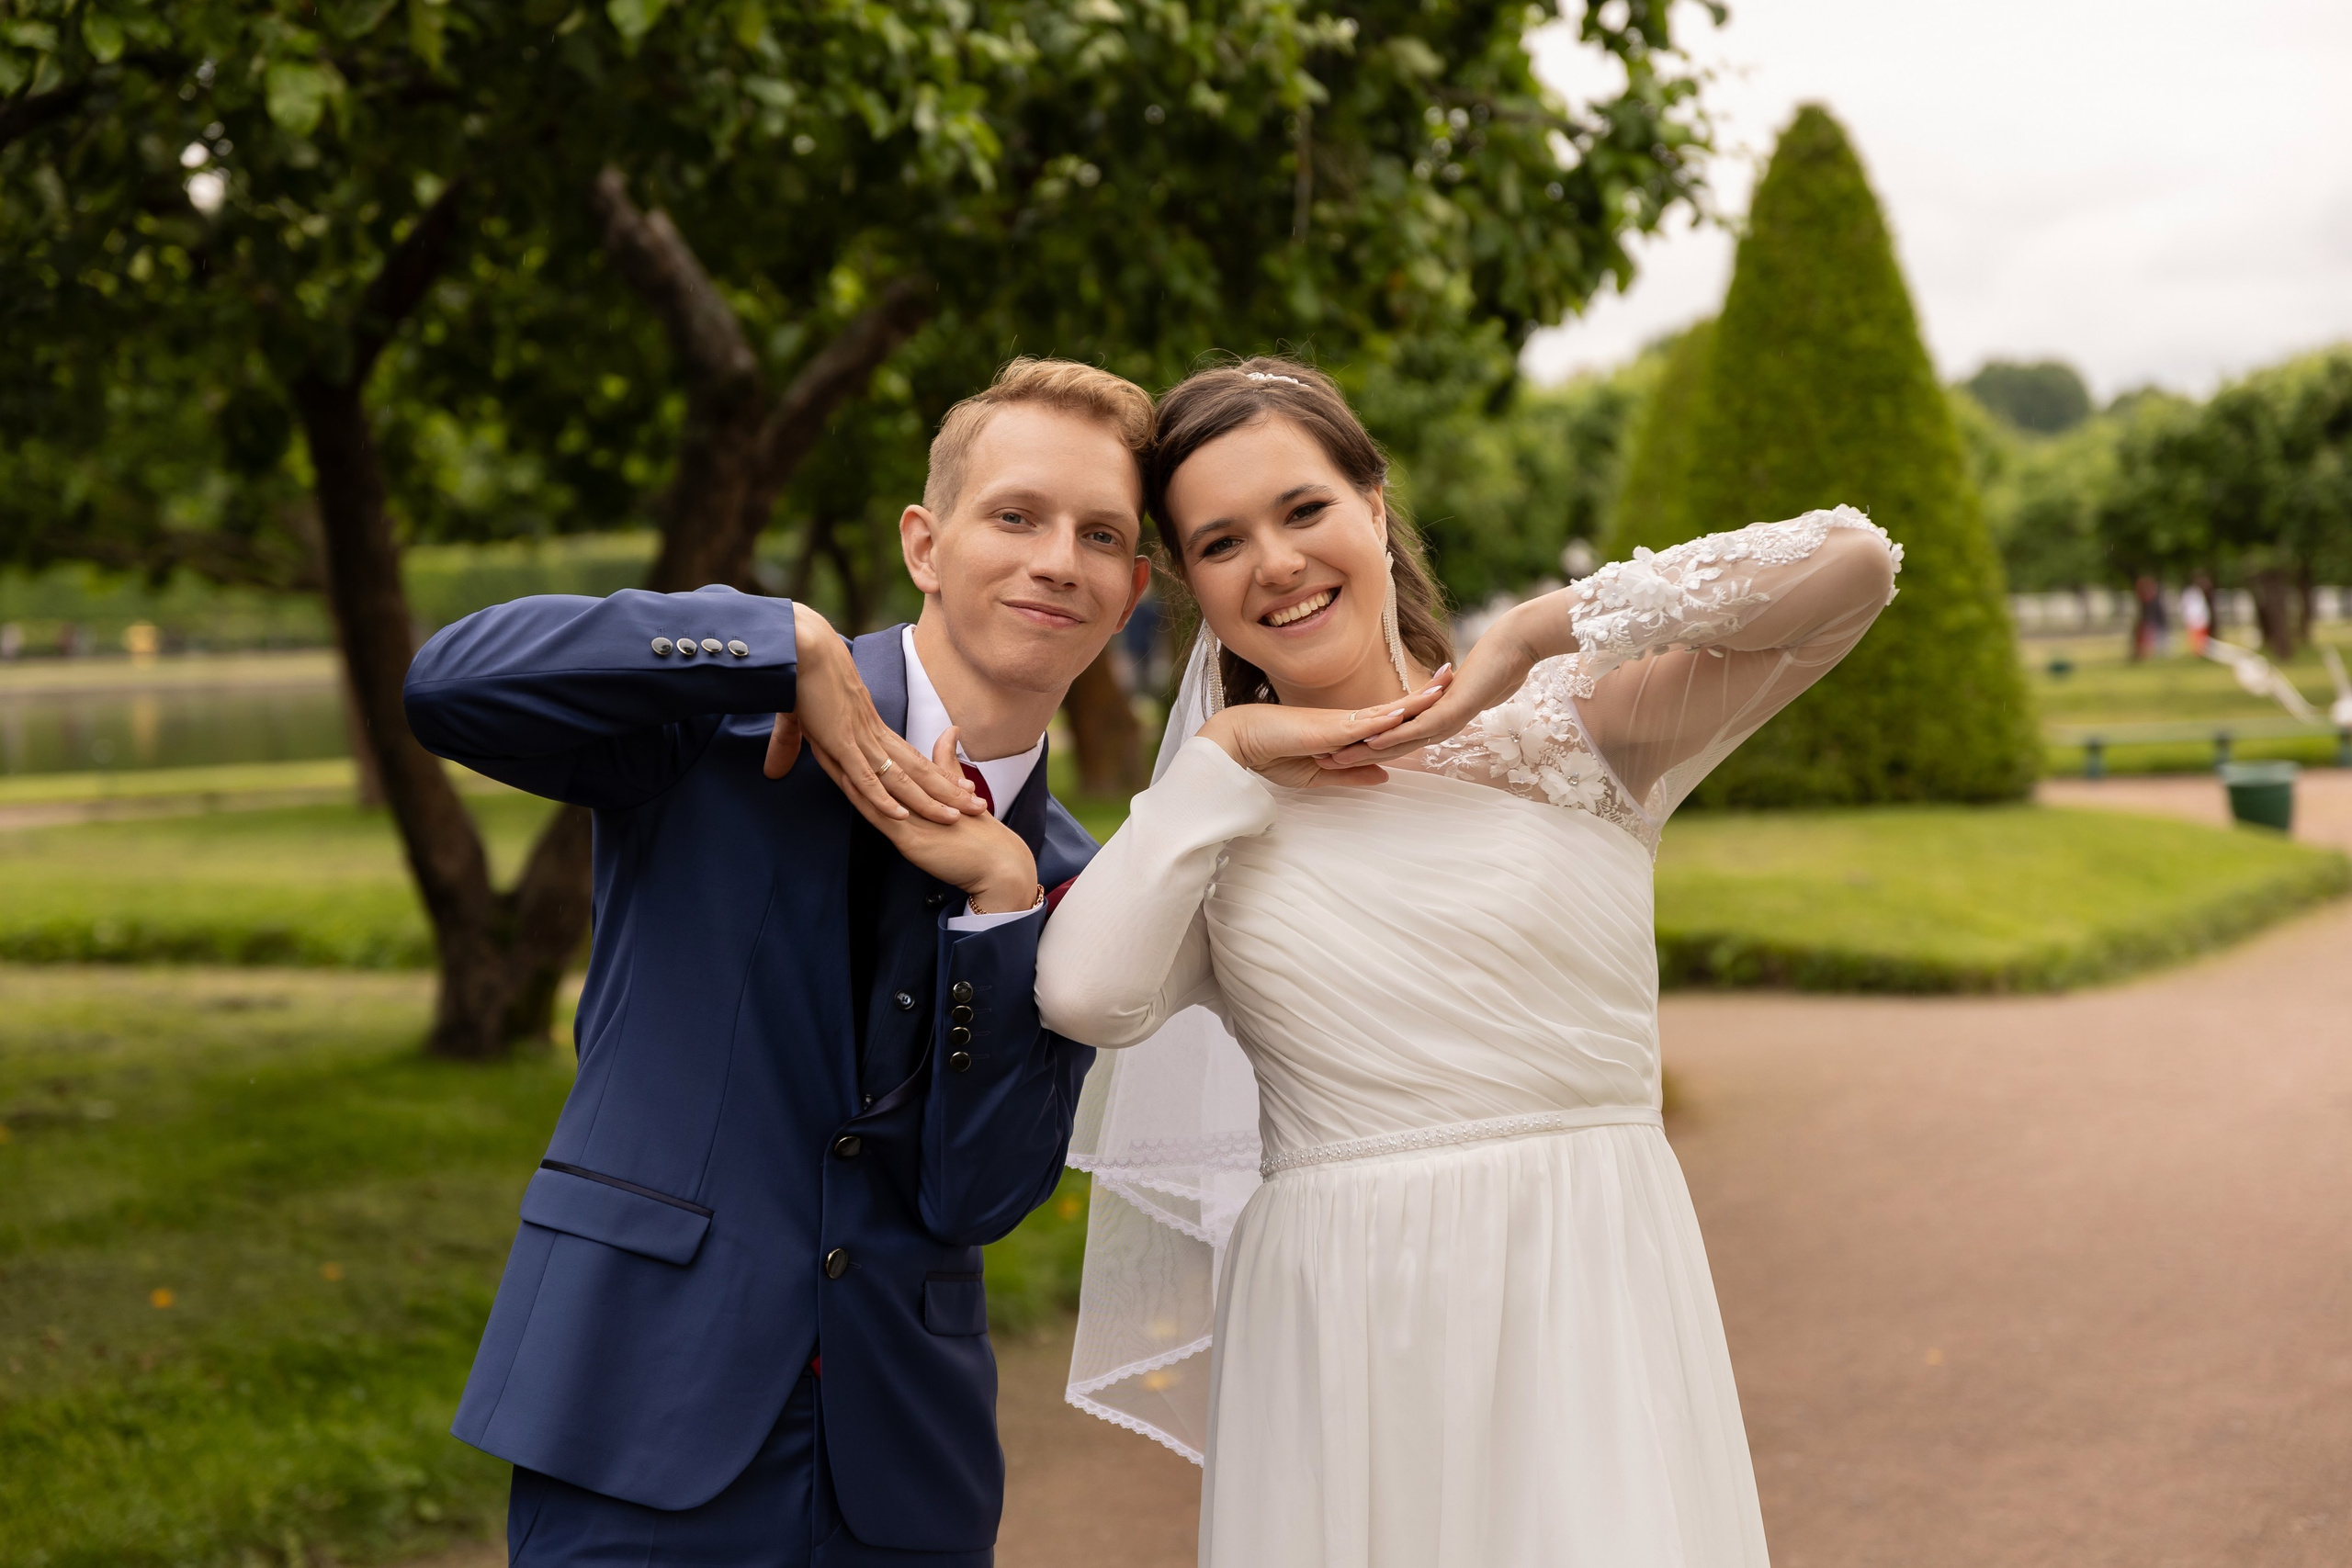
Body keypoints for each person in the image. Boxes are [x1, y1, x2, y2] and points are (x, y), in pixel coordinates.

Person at [1038, 359, 1901, 1566]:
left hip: (1585, 1282)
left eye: (1303, 510)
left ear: (1374, 507)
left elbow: (1854, 564)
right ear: (1192, 589)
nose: (1277, 562)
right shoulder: (1214, 817)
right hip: (1341, 1325)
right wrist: (1226, 757)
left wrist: (1536, 636)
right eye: (1222, 543)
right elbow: (1085, 993)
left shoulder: (1583, 725)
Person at [402, 357, 1155, 1567]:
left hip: (903, 1472)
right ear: (926, 543)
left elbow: (980, 1198)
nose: (1057, 557)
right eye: (1016, 514)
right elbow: (449, 683)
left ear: (1130, 595)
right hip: (639, 1412)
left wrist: (1001, 910)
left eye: (1101, 535)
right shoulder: (716, 716)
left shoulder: (1077, 883)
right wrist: (777, 638)